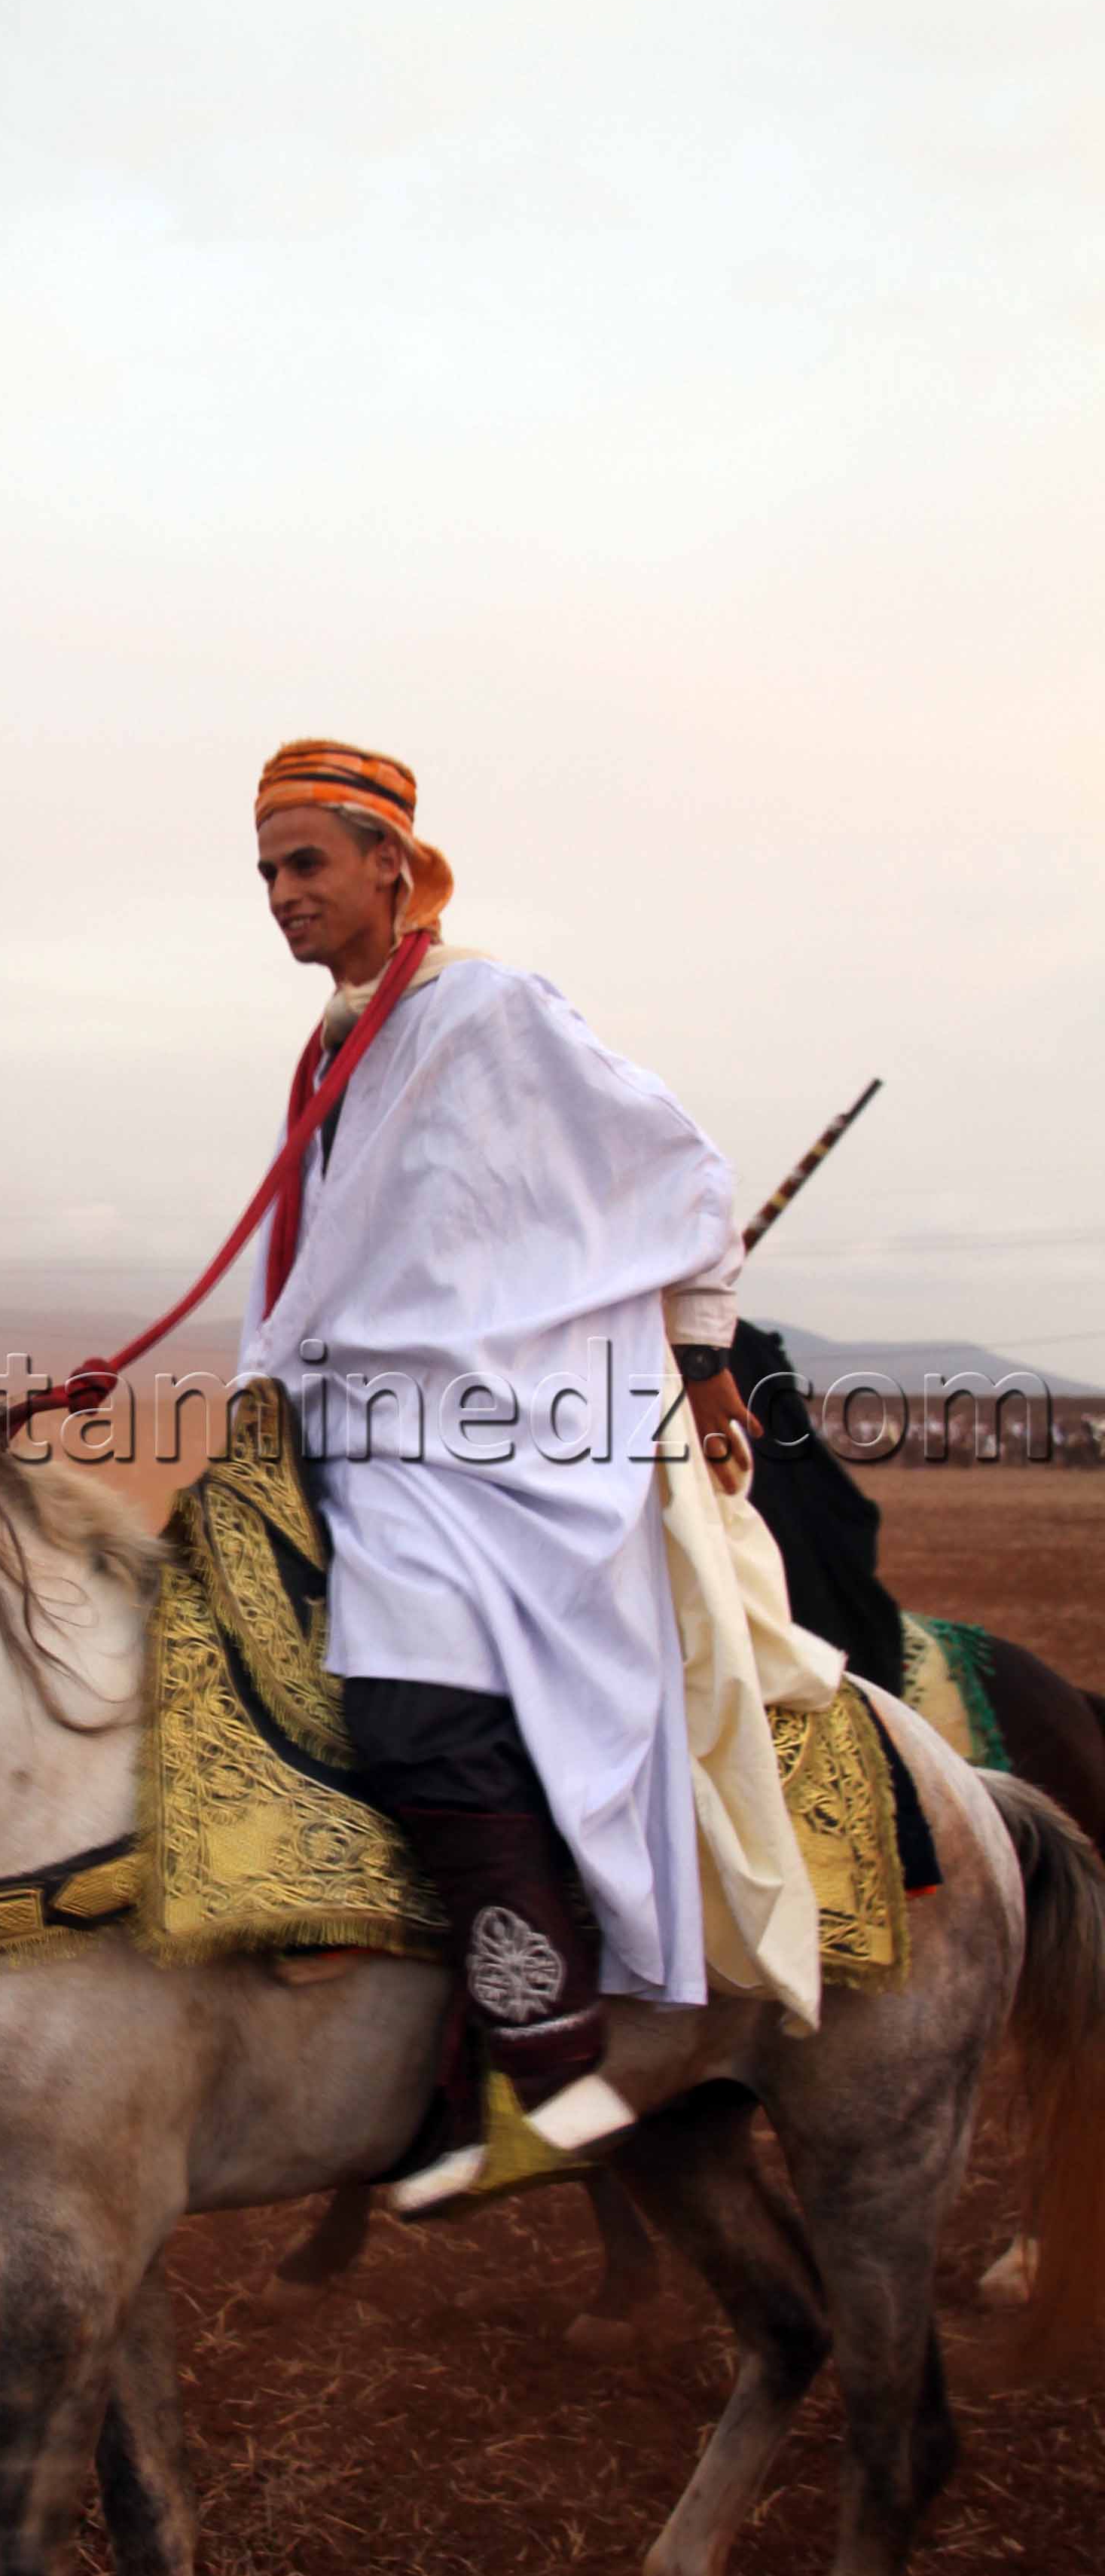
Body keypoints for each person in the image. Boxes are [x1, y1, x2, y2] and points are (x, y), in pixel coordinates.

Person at [239, 738, 838, 2213]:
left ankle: (547, 2059)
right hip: (358, 1436)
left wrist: (700, 1364)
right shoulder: (329, 1048)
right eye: (262, 872)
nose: (278, 896)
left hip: (504, 1447)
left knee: (407, 1704)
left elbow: (677, 1173)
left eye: (303, 862)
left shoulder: (488, 1011)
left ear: (391, 862)